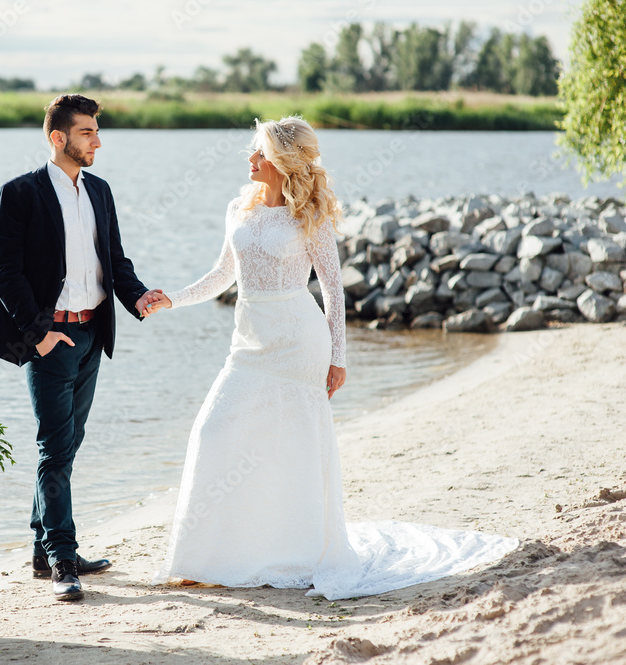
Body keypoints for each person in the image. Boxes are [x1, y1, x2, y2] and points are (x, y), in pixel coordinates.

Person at [146, 117, 517, 599]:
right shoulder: (239, 208)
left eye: (259, 152)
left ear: (282, 161)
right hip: (249, 342)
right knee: (216, 431)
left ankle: (295, 552)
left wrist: (338, 357)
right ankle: (215, 554)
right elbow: (222, 274)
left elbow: (333, 289)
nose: (250, 158)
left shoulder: (310, 215)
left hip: (299, 342)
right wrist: (172, 299)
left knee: (293, 445)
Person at [0, 94, 162, 601]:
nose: (98, 140)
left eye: (97, 130)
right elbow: (5, 272)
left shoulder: (100, 190)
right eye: (87, 132)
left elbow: (114, 261)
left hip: (91, 333)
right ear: (58, 138)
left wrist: (137, 295)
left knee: (68, 444)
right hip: (50, 339)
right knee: (55, 449)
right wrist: (38, 335)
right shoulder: (20, 193)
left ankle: (44, 549)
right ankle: (62, 558)